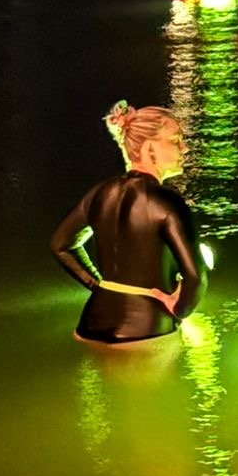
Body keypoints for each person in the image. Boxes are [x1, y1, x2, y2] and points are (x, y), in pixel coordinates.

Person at [51, 101, 206, 344]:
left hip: (89, 326)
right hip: (145, 332)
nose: (184, 148)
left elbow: (61, 245)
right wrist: (179, 310)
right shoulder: (168, 202)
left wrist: (99, 287)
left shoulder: (100, 193)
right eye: (175, 140)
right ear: (149, 147)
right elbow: (195, 277)